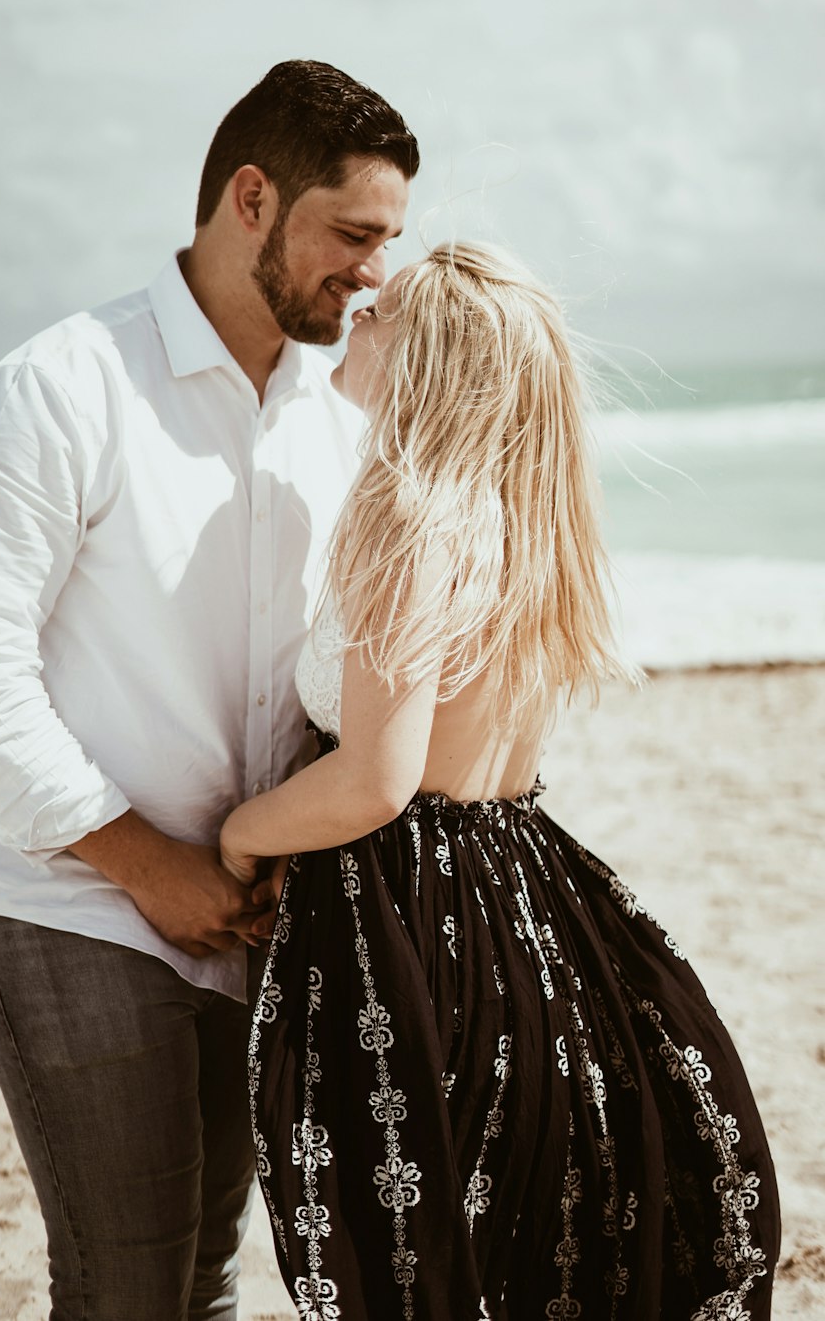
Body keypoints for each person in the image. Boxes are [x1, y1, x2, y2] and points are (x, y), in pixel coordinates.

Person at [0, 59, 418, 1321]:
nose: (376, 273)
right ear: (251, 198)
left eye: (391, 241)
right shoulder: (64, 384)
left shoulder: (343, 416)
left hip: (253, 921)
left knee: (205, 1279)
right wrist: (142, 859)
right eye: (352, 234)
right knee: (126, 1288)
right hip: (75, 905)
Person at [219, 242, 780, 1320]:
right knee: (522, 1245)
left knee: (409, 1253)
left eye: (381, 312)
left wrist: (243, 834)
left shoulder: (404, 519)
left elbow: (380, 783)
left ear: (426, 358)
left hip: (407, 910)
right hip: (521, 894)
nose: (356, 314)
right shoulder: (523, 527)